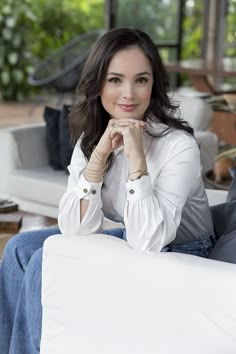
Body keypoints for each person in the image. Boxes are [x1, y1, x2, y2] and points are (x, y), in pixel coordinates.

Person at [0, 27, 216, 354]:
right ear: (98, 83)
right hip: (133, 238)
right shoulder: (93, 138)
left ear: (153, 84)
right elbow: (77, 229)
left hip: (184, 249)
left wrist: (137, 158)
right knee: (20, 248)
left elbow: (149, 241)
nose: (128, 93)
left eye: (141, 80)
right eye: (115, 80)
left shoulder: (178, 146)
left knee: (47, 259)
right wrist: (99, 157)